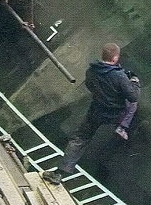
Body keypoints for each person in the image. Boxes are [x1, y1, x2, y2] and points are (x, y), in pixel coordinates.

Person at [46, 44, 140, 182]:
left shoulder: (91, 71)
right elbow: (133, 97)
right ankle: (122, 127)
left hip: (96, 111)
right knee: (133, 103)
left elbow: (89, 85)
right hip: (116, 114)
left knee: (80, 139)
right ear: (115, 58)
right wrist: (135, 83)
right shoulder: (120, 76)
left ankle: (59, 173)